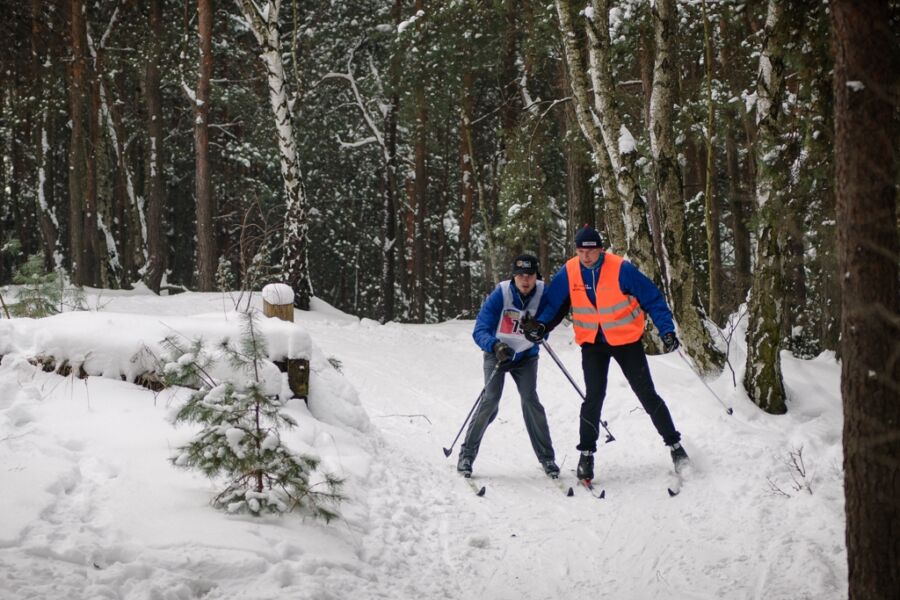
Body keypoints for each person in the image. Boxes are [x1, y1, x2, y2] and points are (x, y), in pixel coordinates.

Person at [521, 225, 689, 483]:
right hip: (593, 343)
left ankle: (676, 447)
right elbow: (554, 303)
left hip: (626, 340)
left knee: (645, 393)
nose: (585, 256)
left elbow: (652, 298)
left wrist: (666, 330)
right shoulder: (571, 270)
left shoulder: (621, 268)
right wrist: (541, 325)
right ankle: (586, 455)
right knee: (593, 398)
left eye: (590, 251)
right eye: (580, 251)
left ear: (600, 249)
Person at [458, 254, 561, 479]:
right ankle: (467, 454)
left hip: (526, 356)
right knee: (490, 400)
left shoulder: (544, 293)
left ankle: (547, 458)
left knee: (530, 399)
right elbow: (480, 330)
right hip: (498, 354)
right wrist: (495, 346)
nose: (525, 280)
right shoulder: (501, 293)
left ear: (536, 276)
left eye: (530, 275)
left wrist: (539, 329)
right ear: (513, 276)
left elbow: (550, 320)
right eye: (520, 275)